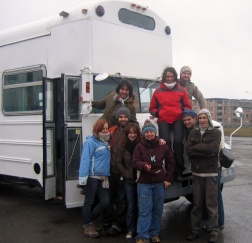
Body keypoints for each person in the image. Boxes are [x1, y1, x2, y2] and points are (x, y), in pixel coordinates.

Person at [133, 119, 175, 243]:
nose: (149, 134)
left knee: (157, 210)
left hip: (159, 183)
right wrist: (143, 165)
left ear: (155, 133)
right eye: (147, 132)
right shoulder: (139, 146)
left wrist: (168, 179)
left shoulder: (163, 145)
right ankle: (142, 236)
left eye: (151, 131)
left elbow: (171, 162)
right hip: (144, 183)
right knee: (145, 210)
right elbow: (134, 162)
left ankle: (154, 234)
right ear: (143, 134)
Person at [149, 66, 192, 181]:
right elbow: (152, 107)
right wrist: (157, 113)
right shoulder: (158, 91)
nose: (169, 78)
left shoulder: (181, 90)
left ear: (175, 77)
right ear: (164, 77)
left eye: (171, 76)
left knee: (178, 142)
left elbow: (188, 105)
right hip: (164, 120)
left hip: (178, 119)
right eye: (167, 76)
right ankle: (170, 171)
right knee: (166, 143)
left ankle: (179, 170)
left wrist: (184, 113)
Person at [186, 109, 221, 243]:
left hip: (210, 173)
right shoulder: (192, 133)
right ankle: (195, 230)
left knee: (211, 204)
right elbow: (189, 151)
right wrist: (204, 149)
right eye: (200, 117)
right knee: (197, 204)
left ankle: (213, 231)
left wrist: (198, 149)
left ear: (209, 118)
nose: (202, 120)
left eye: (204, 117)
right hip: (196, 173)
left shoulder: (216, 132)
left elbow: (213, 149)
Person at [78, 118, 111, 238]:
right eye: (103, 128)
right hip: (92, 177)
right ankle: (87, 225)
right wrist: (82, 179)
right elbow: (85, 160)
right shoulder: (90, 141)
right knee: (89, 202)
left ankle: (89, 221)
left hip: (103, 177)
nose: (105, 130)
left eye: (107, 128)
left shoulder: (106, 141)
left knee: (105, 202)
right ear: (97, 129)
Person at [102, 106, 131, 236]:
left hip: (123, 172)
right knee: (108, 199)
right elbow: (99, 135)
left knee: (121, 199)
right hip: (110, 170)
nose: (123, 119)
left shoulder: (132, 131)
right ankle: (107, 223)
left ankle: (118, 225)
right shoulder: (112, 130)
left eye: (125, 117)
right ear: (117, 118)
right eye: (121, 117)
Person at [117, 123, 142, 239]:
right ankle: (130, 229)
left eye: (134, 133)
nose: (132, 135)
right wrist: (126, 173)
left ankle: (140, 229)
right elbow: (118, 162)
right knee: (131, 205)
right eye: (130, 133)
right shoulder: (122, 147)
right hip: (129, 180)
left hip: (141, 180)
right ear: (127, 134)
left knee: (140, 205)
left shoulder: (141, 145)